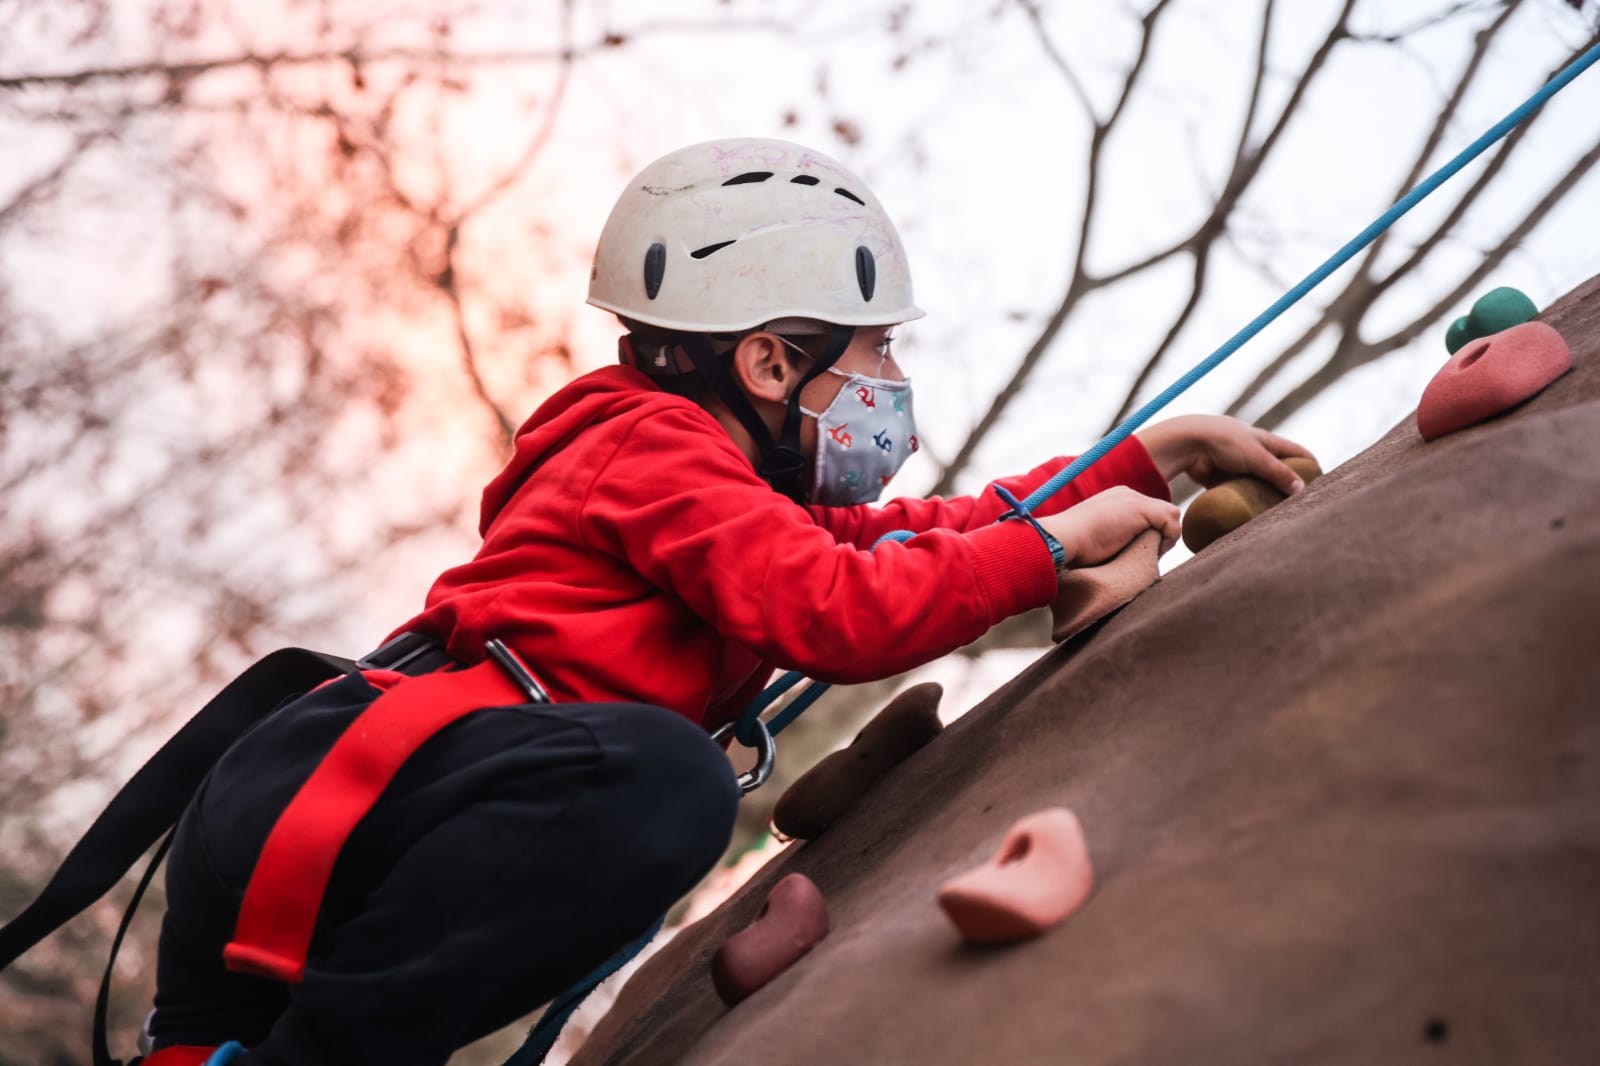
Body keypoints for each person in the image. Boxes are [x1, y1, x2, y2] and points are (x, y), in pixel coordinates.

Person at [128, 137, 1312, 1064]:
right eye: (877, 354)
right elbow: (840, 608)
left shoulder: (726, 482)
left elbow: (908, 535)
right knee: (664, 780)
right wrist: (1051, 546)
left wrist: (1138, 462)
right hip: (367, 789)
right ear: (766, 363)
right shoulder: (648, 445)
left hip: (404, 797)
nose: (893, 388)